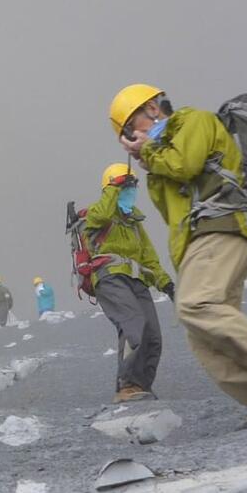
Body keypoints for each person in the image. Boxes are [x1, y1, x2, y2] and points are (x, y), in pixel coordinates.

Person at [111, 83, 247, 426]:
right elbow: (176, 211)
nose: (130, 136)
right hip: (203, 243)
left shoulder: (193, 121)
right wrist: (152, 156)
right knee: (203, 337)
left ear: (152, 108)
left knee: (197, 304)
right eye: (124, 132)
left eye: (130, 124)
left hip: (223, 228)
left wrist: (150, 152)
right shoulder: (158, 158)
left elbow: (186, 164)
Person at [87, 163, 176, 402]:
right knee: (134, 326)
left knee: (153, 336)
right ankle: (126, 386)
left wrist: (166, 284)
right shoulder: (98, 214)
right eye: (125, 186)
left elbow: (149, 258)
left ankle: (141, 386)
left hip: (137, 281)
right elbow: (103, 213)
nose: (131, 190)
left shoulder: (134, 222)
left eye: (133, 185)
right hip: (110, 277)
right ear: (111, 188)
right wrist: (114, 186)